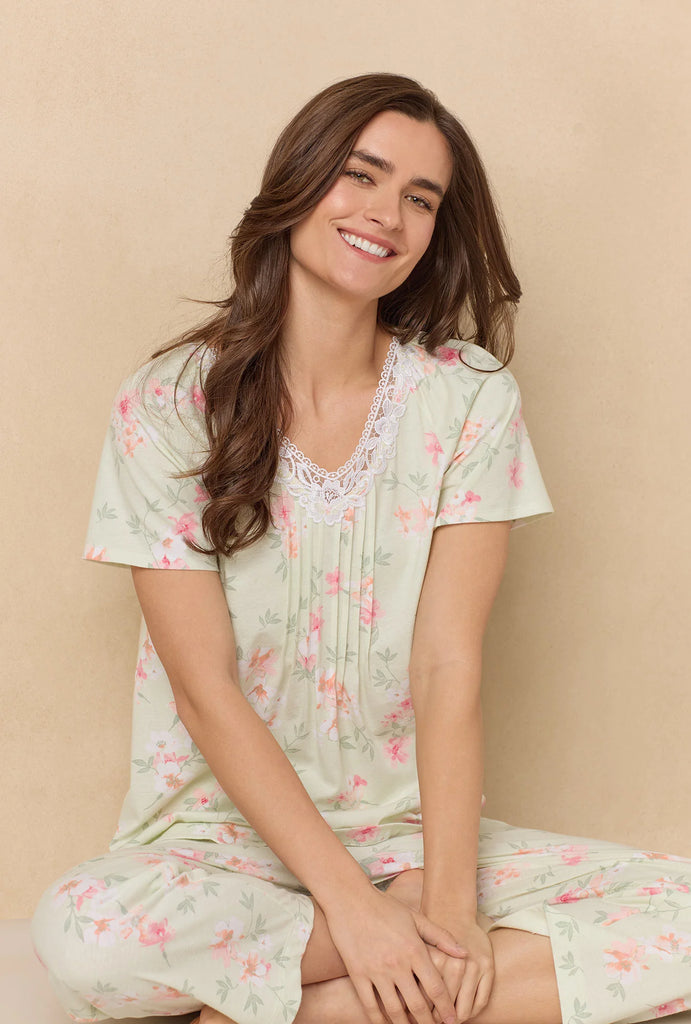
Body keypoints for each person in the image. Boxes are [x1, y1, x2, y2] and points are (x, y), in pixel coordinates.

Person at [30, 72, 691, 1024]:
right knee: (85, 938)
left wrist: (447, 905)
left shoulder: (467, 398)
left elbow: (446, 664)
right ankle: (387, 971)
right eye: (362, 174)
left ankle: (316, 1010)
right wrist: (353, 910)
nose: (386, 214)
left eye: (420, 199)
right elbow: (203, 688)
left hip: (418, 846)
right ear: (299, 179)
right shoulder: (170, 404)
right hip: (219, 848)